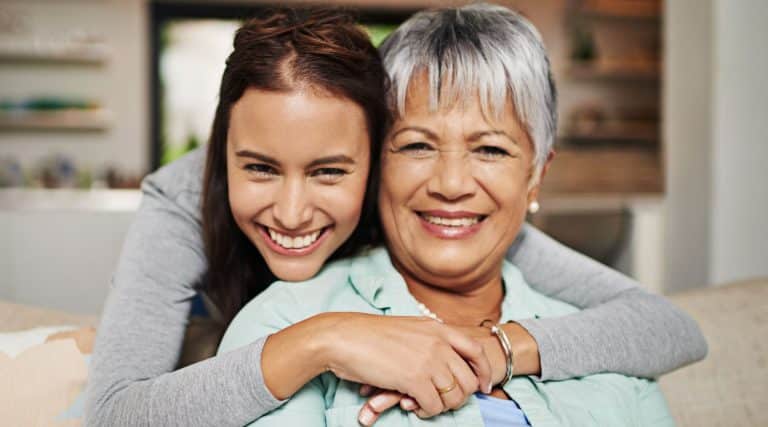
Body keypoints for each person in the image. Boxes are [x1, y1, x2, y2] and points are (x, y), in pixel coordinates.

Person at [86, 6, 705, 427]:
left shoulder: (442, 217)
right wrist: (323, 337)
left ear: (370, 154)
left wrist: (496, 351)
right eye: (260, 169)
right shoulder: (183, 203)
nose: (295, 209)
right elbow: (115, 412)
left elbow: (663, 326)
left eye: (330, 170)